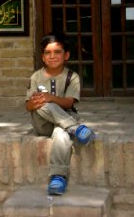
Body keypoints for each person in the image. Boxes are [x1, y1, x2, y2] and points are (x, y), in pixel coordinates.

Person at [25, 32, 95, 195]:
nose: (52, 56)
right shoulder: (36, 77)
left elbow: (70, 102)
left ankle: (58, 177)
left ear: (66, 55)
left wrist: (51, 98)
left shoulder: (72, 77)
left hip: (63, 121)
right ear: (42, 57)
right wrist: (34, 103)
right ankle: (75, 128)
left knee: (61, 134)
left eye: (57, 52)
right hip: (42, 122)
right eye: (48, 53)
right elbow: (28, 106)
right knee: (42, 104)